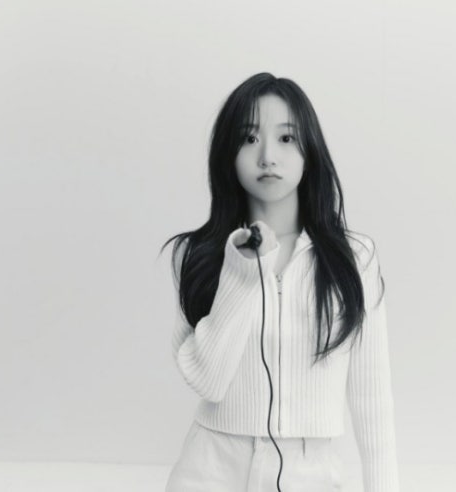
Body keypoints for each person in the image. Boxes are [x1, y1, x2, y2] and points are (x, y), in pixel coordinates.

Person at [159, 72, 399, 491]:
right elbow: (208, 380)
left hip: (313, 472)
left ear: (310, 151)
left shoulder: (354, 258)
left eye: (286, 138)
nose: (268, 156)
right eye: (249, 138)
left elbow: (372, 401)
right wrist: (241, 271)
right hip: (211, 468)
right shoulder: (197, 254)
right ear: (228, 153)